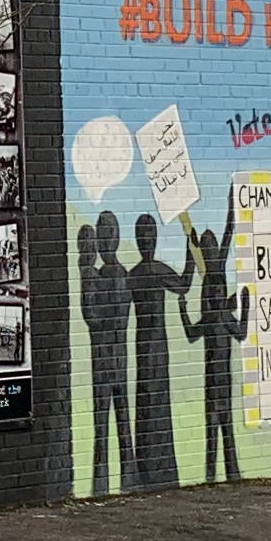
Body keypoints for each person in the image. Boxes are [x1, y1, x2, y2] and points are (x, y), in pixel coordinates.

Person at [124, 212, 188, 492]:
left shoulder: (133, 275)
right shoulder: (155, 270)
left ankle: (147, 465)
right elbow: (184, 284)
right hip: (157, 344)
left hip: (141, 343)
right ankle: (161, 465)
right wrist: (190, 248)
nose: (148, 241)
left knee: (145, 401)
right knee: (157, 400)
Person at [75, 210, 131, 497]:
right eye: (101, 236)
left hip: (110, 361)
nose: (104, 242)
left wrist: (89, 276)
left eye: (109, 235)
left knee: (113, 429)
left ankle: (115, 485)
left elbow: (99, 317)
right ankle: (108, 486)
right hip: (111, 360)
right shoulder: (107, 274)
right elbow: (95, 315)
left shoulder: (111, 274)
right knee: (110, 430)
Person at [188, 216, 246, 485]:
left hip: (220, 369)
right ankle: (214, 475)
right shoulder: (212, 277)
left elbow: (228, 233)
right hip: (214, 367)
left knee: (224, 428)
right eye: (207, 247)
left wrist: (241, 306)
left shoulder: (216, 272)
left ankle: (226, 474)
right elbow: (200, 326)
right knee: (216, 428)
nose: (213, 251)